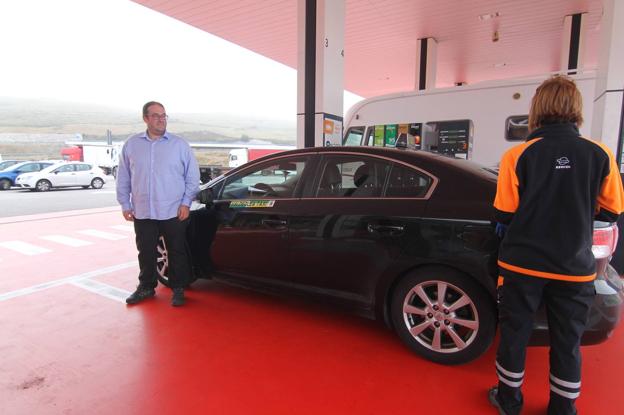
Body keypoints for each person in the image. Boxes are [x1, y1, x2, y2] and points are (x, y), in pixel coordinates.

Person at [488, 75, 624, 415]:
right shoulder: (601, 154)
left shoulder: (517, 156)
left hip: (522, 266)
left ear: (537, 109)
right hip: (574, 268)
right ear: (576, 109)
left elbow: (502, 215)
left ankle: (508, 401)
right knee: (568, 340)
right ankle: (562, 408)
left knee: (516, 334)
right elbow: (612, 210)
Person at [116, 101, 200, 307]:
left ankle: (178, 288)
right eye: (155, 115)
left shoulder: (179, 145)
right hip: (143, 211)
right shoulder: (132, 145)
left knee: (176, 250)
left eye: (164, 115)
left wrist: (186, 203)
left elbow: (192, 176)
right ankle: (146, 287)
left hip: (173, 210)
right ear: (145, 118)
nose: (161, 119)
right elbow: (124, 176)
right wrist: (125, 204)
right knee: (145, 251)